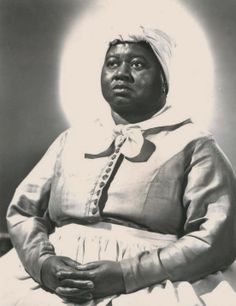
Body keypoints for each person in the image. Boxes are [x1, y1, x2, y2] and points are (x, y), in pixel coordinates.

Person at [1, 26, 236, 306]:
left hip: (153, 283)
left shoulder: (193, 143)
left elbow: (216, 239)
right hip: (54, 280)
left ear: (164, 81)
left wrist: (128, 274)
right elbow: (23, 212)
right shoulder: (72, 139)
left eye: (138, 64)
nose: (121, 73)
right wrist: (44, 265)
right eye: (112, 63)